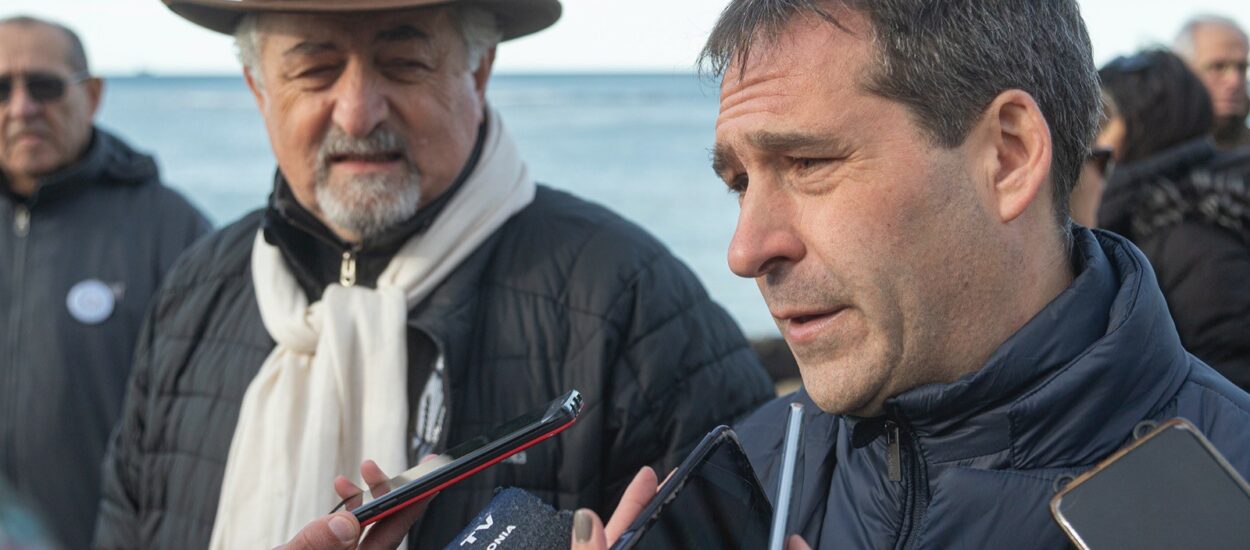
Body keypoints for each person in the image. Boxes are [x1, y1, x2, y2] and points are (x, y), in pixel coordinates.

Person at [567, 1, 1250, 548]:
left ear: (1008, 157)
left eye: (808, 164)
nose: (745, 251)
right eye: (739, 183)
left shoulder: (1229, 486)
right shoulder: (753, 470)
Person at [94, 0, 773, 548]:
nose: (358, 110)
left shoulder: (632, 296)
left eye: (405, 63)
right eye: (314, 70)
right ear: (257, 87)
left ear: (478, 72)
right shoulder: (194, 293)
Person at [0, 16, 210, 550]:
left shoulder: (172, 229)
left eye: (43, 86)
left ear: (91, 95)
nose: (21, 107)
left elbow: (209, 425)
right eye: (1, 89)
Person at [1096, 49, 1250, 392]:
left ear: (1141, 125)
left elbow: (1228, 388)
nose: (1093, 140)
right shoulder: (1156, 217)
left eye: (1103, 121)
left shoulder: (1190, 235)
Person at [1174, 15, 1250, 149]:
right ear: (1183, 71)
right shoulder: (1149, 152)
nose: (1234, 81)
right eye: (1217, 67)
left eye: (1241, 68)